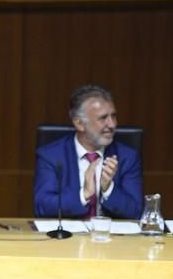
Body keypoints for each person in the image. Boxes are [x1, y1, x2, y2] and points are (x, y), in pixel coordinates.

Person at [34, 84, 142, 220]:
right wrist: (83, 194)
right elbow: (41, 207)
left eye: (113, 116)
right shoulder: (51, 155)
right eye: (103, 118)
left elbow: (136, 212)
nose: (112, 124)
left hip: (110, 238)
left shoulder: (127, 157)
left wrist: (108, 188)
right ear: (79, 123)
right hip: (67, 238)